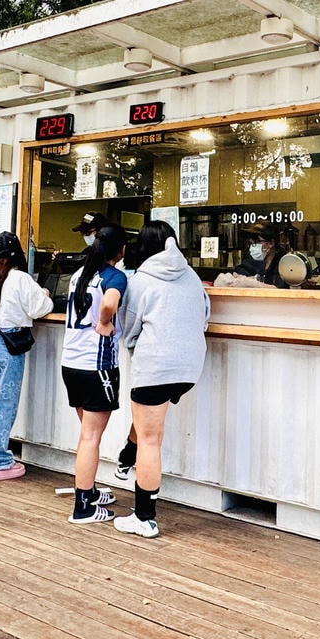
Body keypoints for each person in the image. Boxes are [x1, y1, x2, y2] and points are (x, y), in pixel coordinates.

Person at [115, 221, 211, 538]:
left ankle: (144, 517)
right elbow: (205, 315)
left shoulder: (140, 281)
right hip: (189, 367)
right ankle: (126, 455)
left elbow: (127, 327)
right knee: (148, 422)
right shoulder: (193, 277)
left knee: (150, 439)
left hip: (156, 365)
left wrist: (135, 346)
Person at [0, 232, 52, 480]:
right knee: (3, 403)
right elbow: (40, 308)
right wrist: (46, 294)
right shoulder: (20, 279)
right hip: (7, 344)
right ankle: (0, 461)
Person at [60, 222, 128, 524]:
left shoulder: (79, 274)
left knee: (88, 435)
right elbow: (110, 303)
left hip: (71, 364)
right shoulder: (114, 276)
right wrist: (104, 321)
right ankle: (83, 507)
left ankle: (87, 491)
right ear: (121, 250)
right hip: (96, 365)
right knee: (90, 437)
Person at [234, 221, 288, 287]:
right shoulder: (250, 260)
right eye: (251, 243)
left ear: (271, 243)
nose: (252, 247)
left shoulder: (285, 265)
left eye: (256, 242)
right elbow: (239, 273)